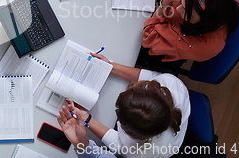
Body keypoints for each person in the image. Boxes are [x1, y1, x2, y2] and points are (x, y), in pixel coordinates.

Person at [57, 57, 190, 158]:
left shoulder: (141, 153)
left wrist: (87, 119)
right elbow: (150, 76)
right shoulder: (172, 84)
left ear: (128, 130)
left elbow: (120, 144)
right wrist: (111, 66)